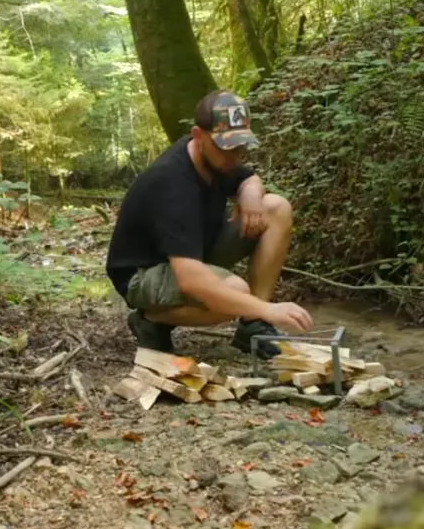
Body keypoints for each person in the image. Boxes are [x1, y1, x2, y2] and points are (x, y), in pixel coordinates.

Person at [104, 89, 313, 358]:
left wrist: (250, 193)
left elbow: (247, 177)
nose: (235, 156)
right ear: (198, 135)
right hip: (143, 273)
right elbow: (191, 279)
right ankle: (150, 319)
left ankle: (253, 327)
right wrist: (267, 308)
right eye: (226, 148)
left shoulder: (216, 159)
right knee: (234, 292)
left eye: (241, 147)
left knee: (275, 208)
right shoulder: (172, 182)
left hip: (194, 251)